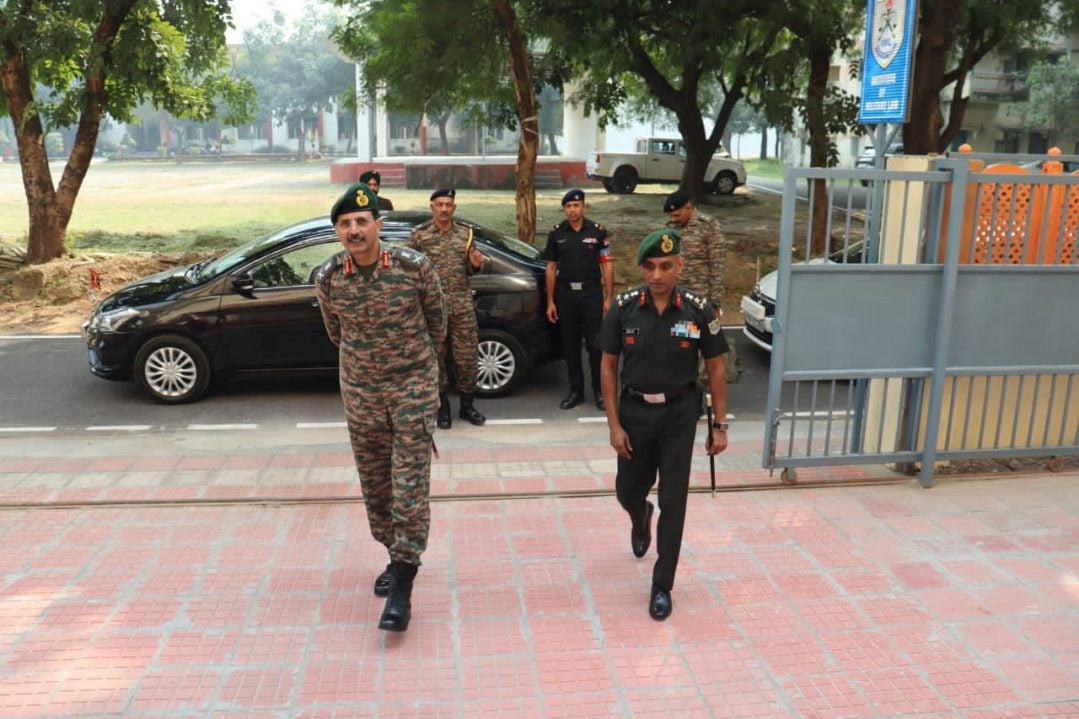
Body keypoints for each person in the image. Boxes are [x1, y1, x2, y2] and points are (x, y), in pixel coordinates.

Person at [315, 181, 446, 632]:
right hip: (361, 395)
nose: (355, 230)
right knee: (377, 489)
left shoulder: (414, 267)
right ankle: (395, 554)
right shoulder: (329, 277)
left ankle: (403, 586)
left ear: (378, 225)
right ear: (337, 231)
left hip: (412, 389)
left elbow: (437, 322)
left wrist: (419, 372)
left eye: (362, 221)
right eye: (346, 223)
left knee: (409, 486)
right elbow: (337, 332)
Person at [597, 228, 729, 621]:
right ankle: (640, 516)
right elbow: (607, 366)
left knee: (675, 501)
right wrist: (613, 425)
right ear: (641, 268)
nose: (657, 275)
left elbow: (717, 367)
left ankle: (662, 584)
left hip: (679, 415)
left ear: (679, 266)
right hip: (635, 413)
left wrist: (719, 425)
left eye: (666, 266)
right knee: (627, 490)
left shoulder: (698, 309)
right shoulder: (623, 308)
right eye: (651, 267)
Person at [408, 188, 488, 428]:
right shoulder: (419, 236)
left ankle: (467, 406)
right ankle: (443, 409)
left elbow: (470, 269)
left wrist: (475, 266)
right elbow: (410, 272)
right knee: (437, 360)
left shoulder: (466, 234)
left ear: (454, 207)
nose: (444, 209)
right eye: (439, 204)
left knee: (467, 359)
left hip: (461, 306)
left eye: (448, 204)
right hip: (433, 310)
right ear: (432, 207)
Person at [543, 189, 614, 410]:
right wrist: (550, 301)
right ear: (564, 209)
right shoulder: (556, 233)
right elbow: (551, 267)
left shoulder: (598, 231)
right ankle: (576, 391)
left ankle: (599, 392)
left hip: (591, 294)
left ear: (584, 207)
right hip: (565, 295)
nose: (573, 210)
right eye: (568, 207)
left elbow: (607, 264)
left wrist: (609, 297)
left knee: (595, 346)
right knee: (570, 345)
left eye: (576, 206)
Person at [664, 189, 741, 390]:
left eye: (677, 215)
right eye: (670, 216)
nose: (673, 219)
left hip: (701, 302)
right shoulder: (672, 229)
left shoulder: (708, 226)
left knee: (705, 349)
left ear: (689, 207)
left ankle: (703, 394)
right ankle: (684, 390)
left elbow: (717, 266)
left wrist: (715, 302)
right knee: (681, 345)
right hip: (677, 301)